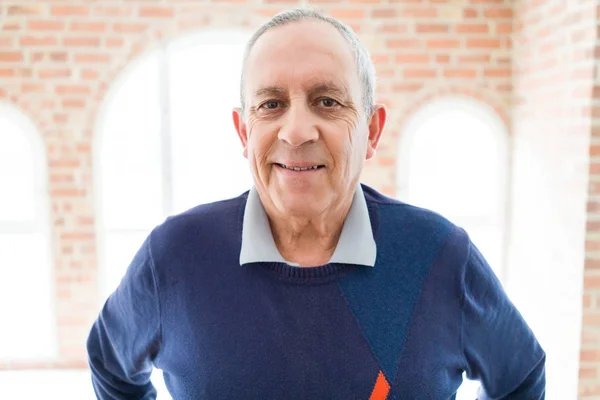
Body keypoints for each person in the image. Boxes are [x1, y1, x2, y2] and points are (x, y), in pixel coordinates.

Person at [86, 8, 546, 399]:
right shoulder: (174, 255)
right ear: (244, 133)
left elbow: (520, 377)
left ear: (372, 129)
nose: (296, 131)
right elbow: (110, 365)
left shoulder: (441, 255)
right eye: (270, 104)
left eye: (327, 101)